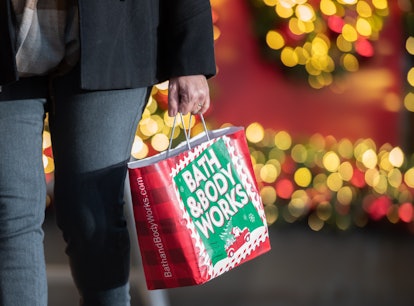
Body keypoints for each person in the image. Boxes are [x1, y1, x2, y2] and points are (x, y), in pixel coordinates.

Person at [0, 0, 216, 305]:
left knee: (91, 213)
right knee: (8, 213)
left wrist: (191, 59)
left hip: (116, 34)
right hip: (8, 40)